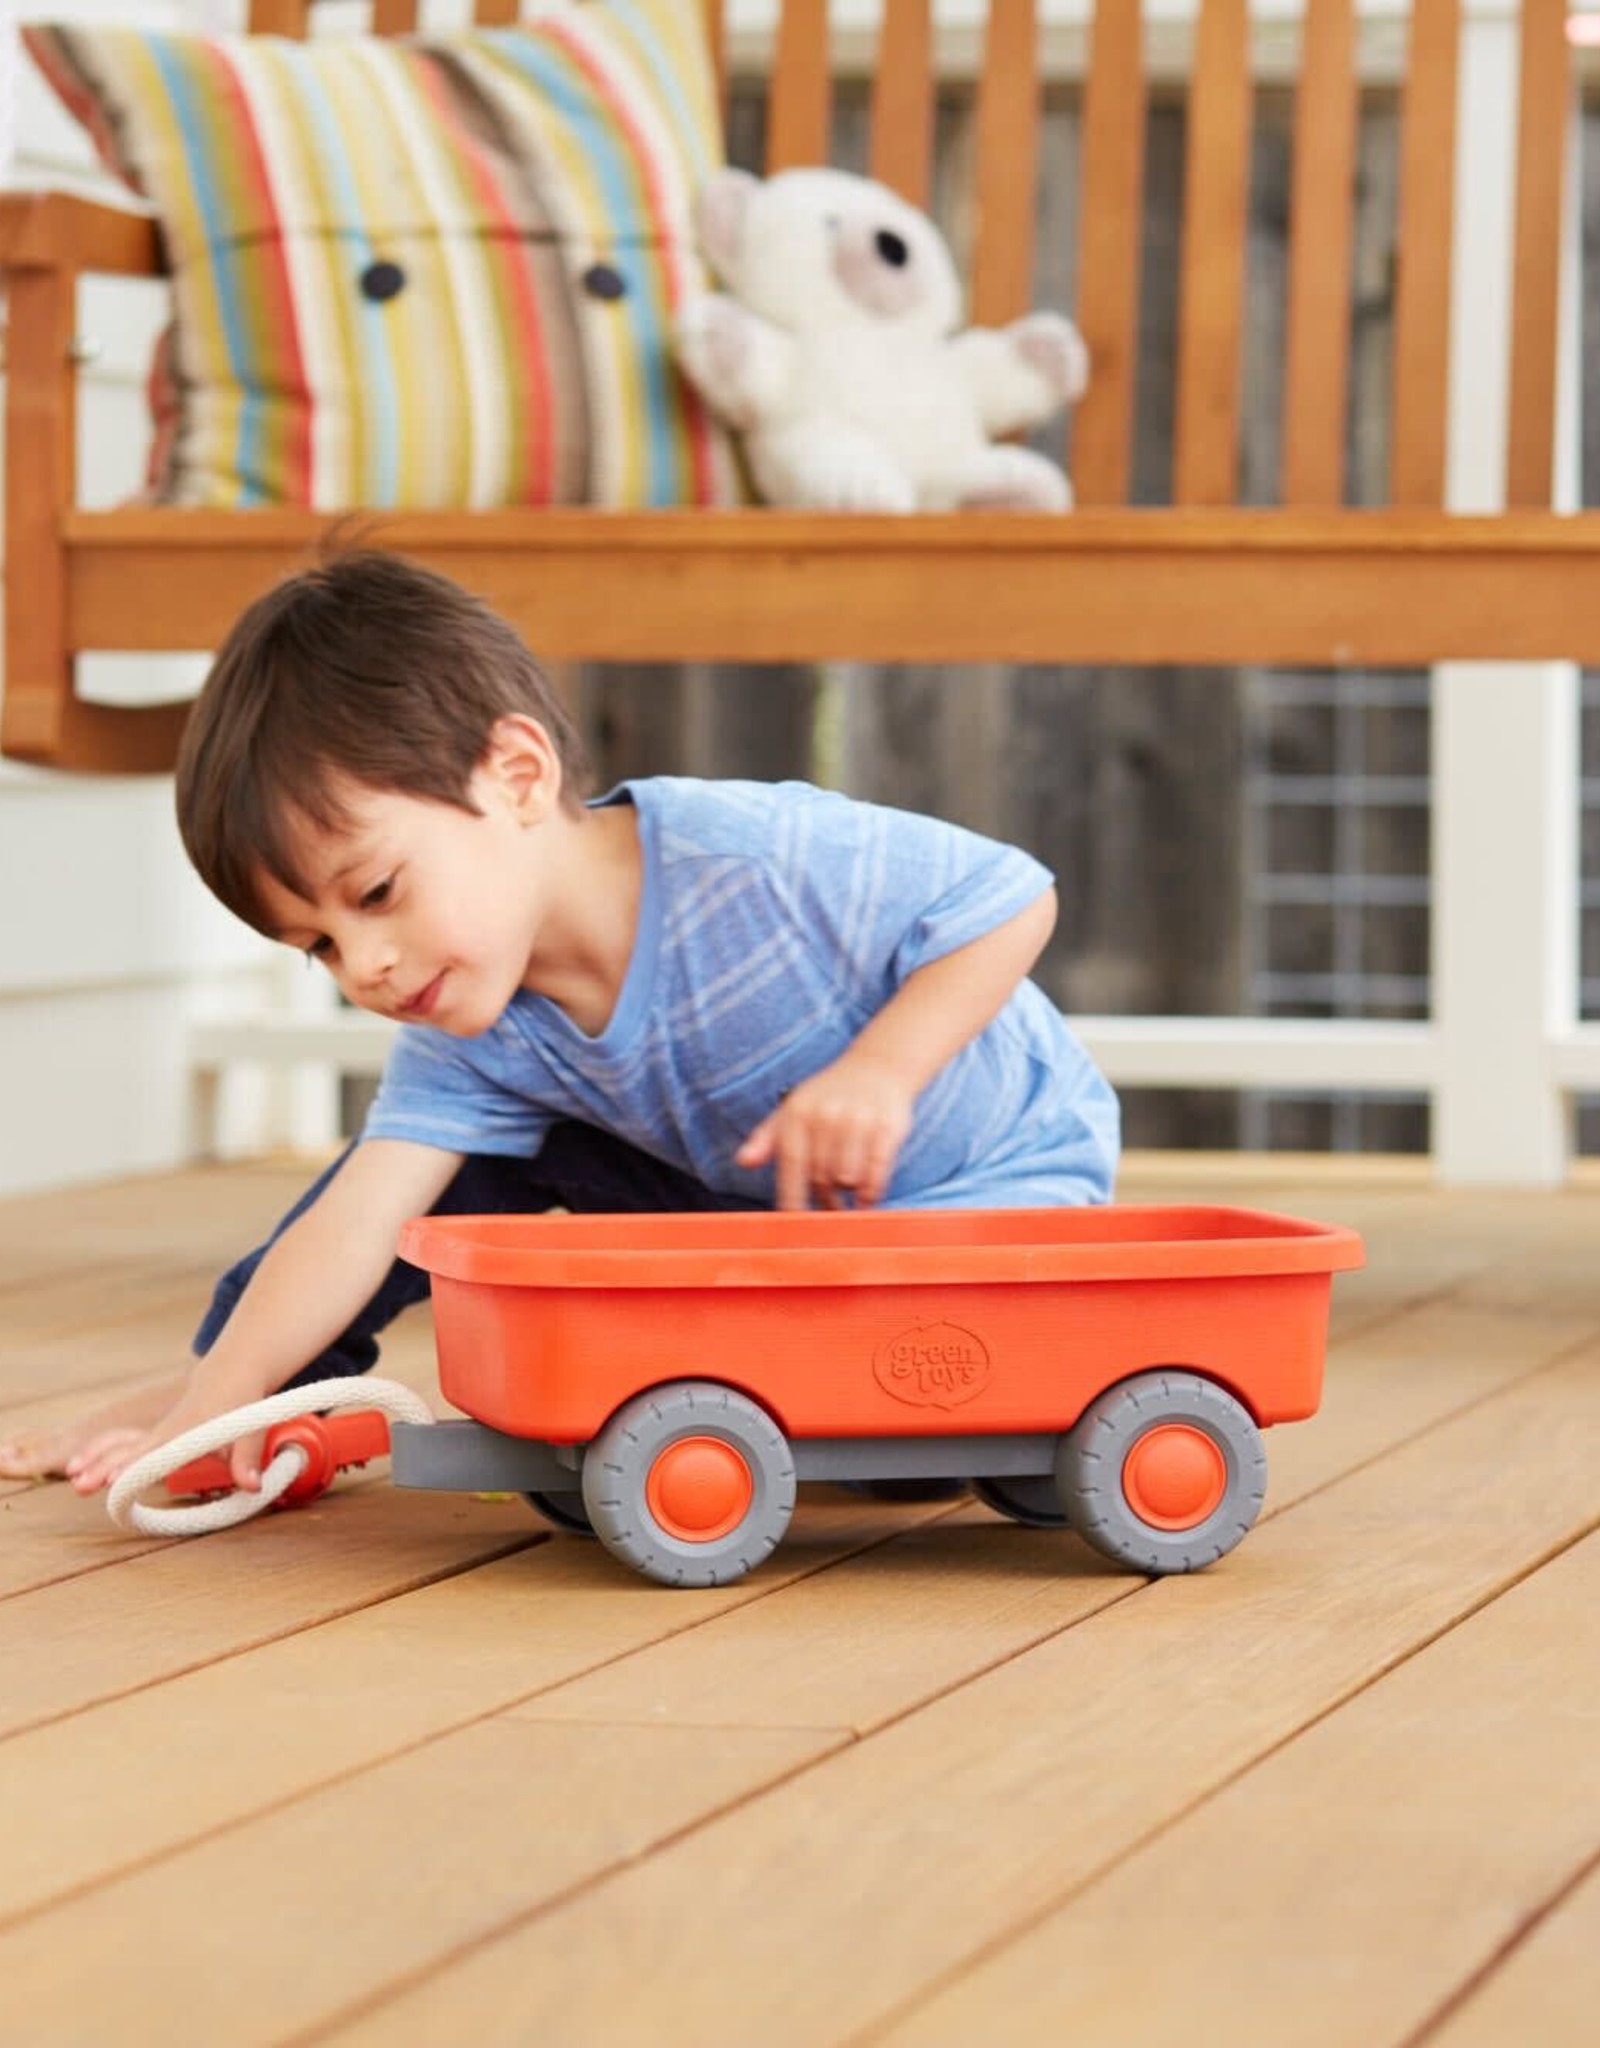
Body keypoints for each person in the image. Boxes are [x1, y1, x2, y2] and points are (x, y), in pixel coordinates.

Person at [0, 549, 1119, 1496]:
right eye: (322, 946)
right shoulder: (473, 1021)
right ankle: (237, 1387)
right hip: (767, 1207)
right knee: (418, 1177)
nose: (368, 967)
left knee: (898, 1442)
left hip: (988, 1182)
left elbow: (1008, 897)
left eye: (378, 893)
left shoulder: (754, 854)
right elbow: (355, 1224)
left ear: (518, 775)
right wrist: (211, 1407)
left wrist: (882, 1069)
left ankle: (237, 1385)